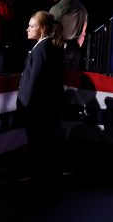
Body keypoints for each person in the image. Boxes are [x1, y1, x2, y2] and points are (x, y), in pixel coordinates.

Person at [18, 11, 65, 187]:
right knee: (44, 144)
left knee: (39, 145)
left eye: (32, 26)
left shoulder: (42, 49)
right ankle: (46, 179)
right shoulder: (48, 47)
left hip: (37, 109)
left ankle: (42, 181)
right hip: (45, 108)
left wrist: (25, 106)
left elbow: (34, 81)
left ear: (43, 29)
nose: (27, 29)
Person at [48, 0, 88, 71]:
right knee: (71, 80)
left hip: (59, 48)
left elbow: (49, 30)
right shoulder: (83, 9)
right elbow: (83, 32)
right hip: (75, 49)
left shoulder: (58, 8)